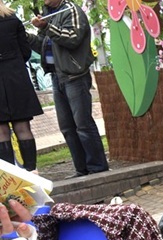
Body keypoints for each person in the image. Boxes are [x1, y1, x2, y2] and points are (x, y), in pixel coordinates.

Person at [28, 0, 108, 178]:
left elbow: (73, 38)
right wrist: (24, 36)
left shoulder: (71, 10)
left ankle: (98, 169)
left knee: (83, 125)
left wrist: (47, 26)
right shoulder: (49, 12)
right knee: (67, 127)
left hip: (75, 76)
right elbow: (42, 44)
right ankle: (82, 170)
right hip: (57, 76)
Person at [0, 0, 43, 172]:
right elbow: (25, 51)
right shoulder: (12, 19)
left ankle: (11, 178)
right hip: (16, 78)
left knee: (1, 132)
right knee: (23, 127)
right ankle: (33, 172)